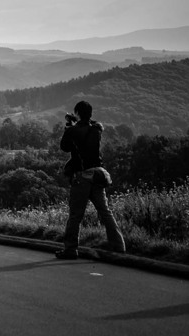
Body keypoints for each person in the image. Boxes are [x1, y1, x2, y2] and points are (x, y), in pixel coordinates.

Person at [55, 100, 126, 259]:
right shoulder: (97, 129)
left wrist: (69, 125)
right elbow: (89, 125)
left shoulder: (72, 131)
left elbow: (65, 147)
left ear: (77, 113)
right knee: (105, 212)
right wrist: (77, 121)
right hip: (97, 176)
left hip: (81, 177)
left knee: (75, 215)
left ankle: (71, 249)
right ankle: (118, 244)